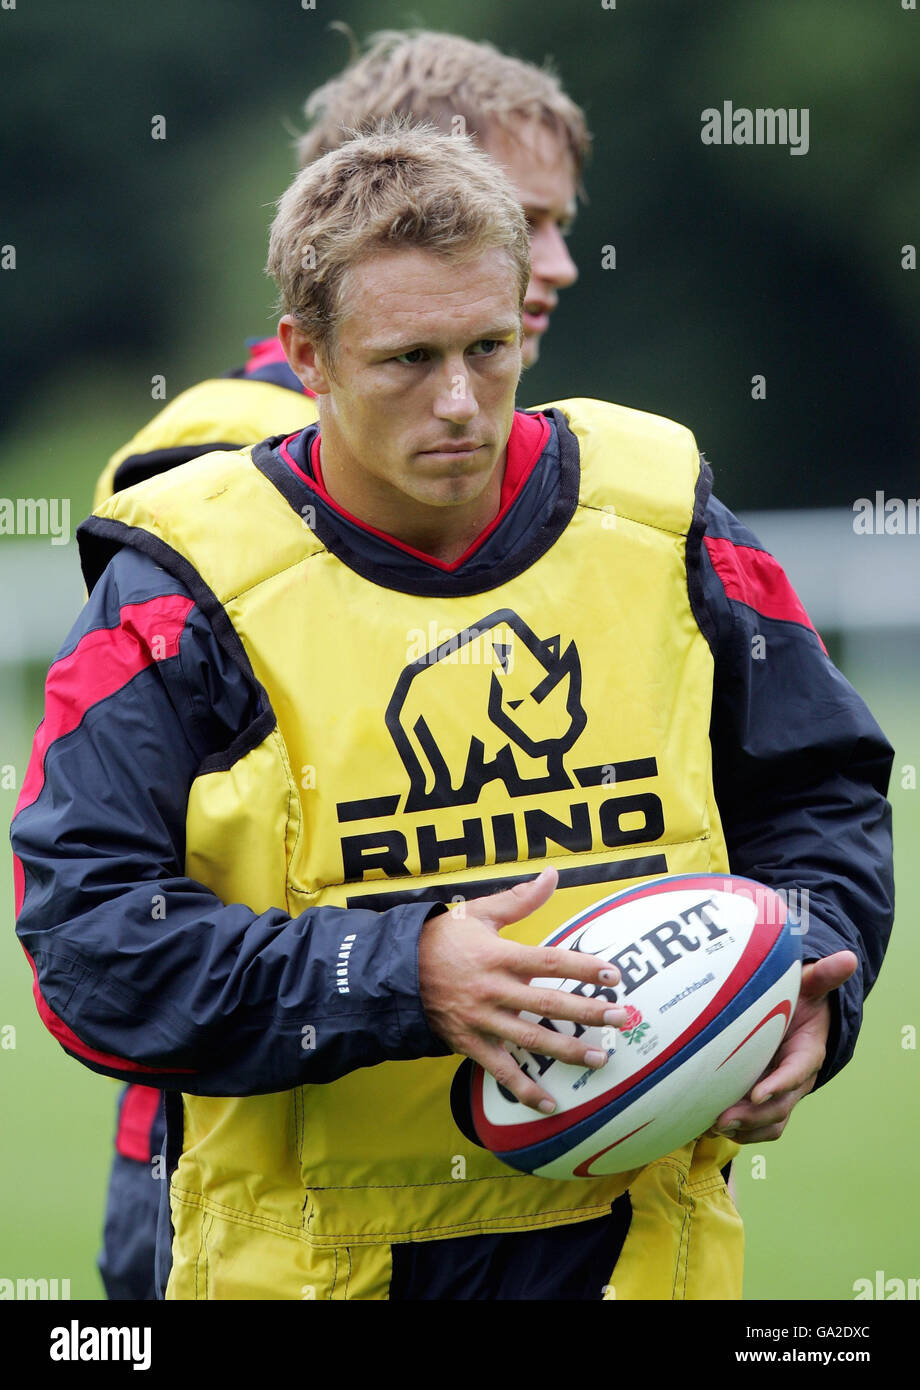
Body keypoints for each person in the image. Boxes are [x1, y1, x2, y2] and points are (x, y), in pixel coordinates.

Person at [12, 123, 894, 1301]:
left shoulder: (663, 521)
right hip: (305, 1270)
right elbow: (87, 944)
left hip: (643, 1256)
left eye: (489, 346)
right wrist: (401, 969)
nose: (461, 403)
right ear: (304, 357)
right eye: (407, 359)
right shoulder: (180, 587)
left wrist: (813, 993)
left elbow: (818, 794)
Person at [87, 27, 588, 1299]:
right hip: (236, 1179)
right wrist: (397, 970)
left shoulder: (510, 470)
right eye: (525, 218)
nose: (558, 263)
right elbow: (115, 905)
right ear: (413, 194)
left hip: (492, 1177)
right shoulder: (208, 490)